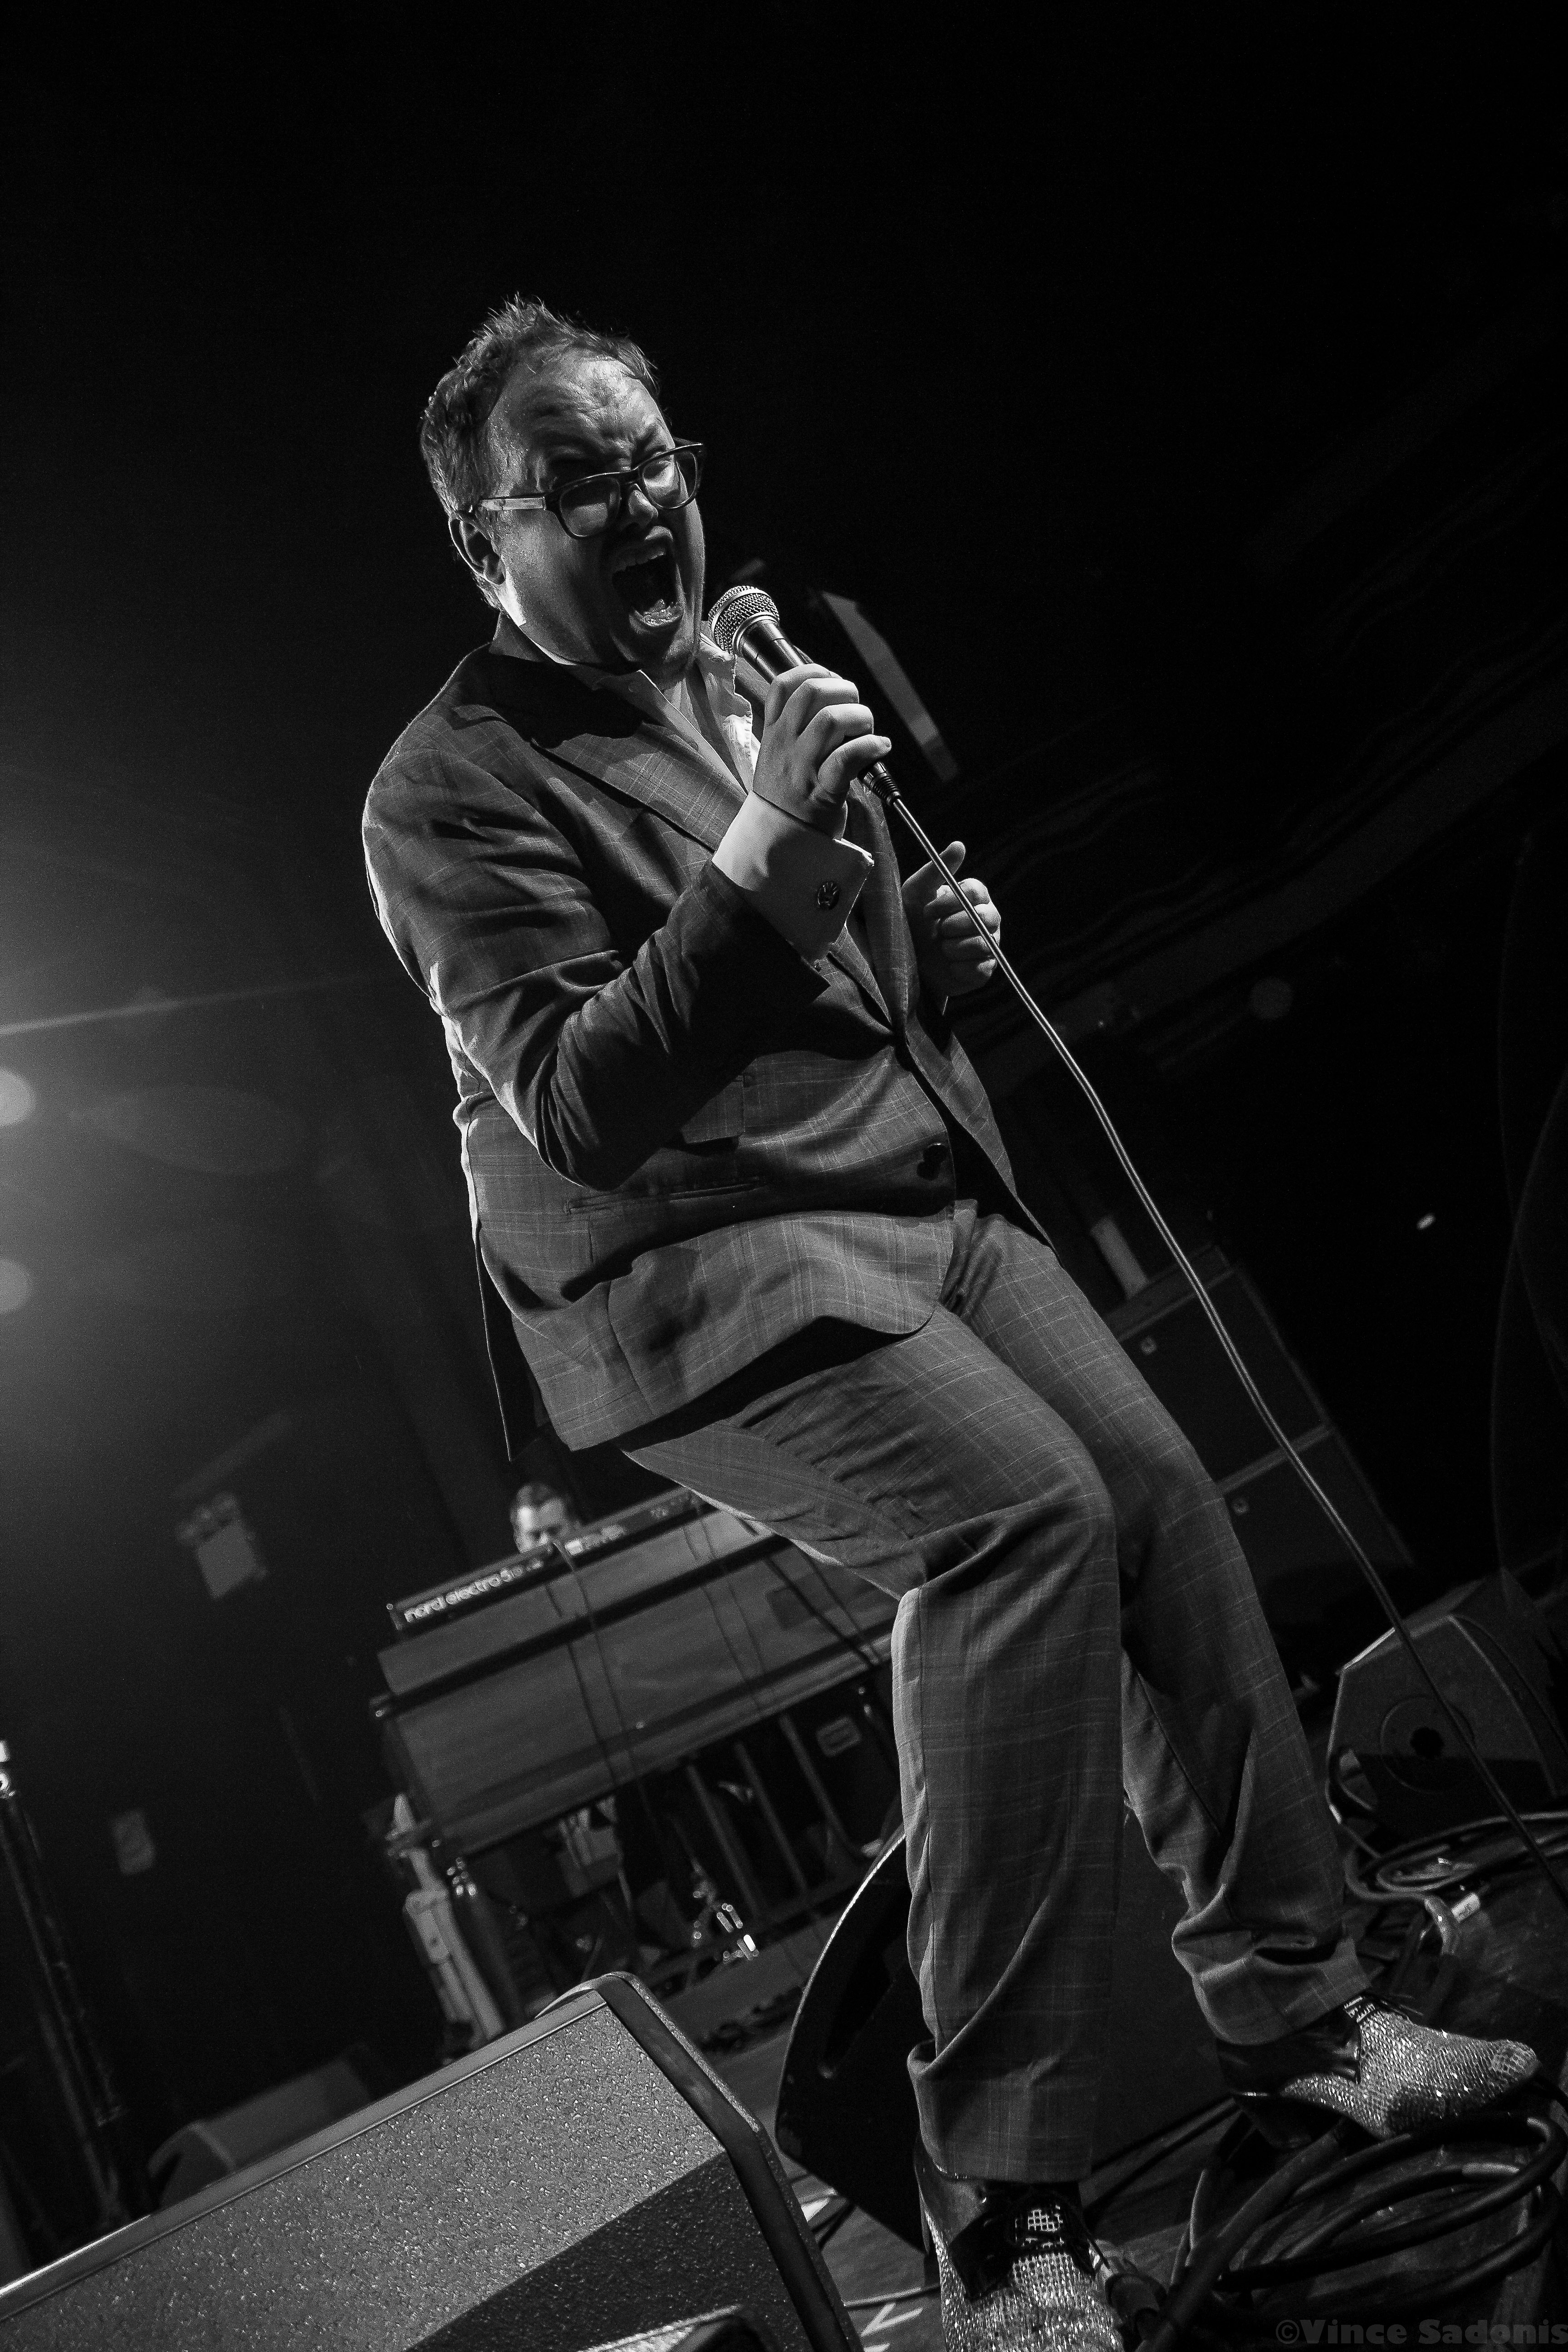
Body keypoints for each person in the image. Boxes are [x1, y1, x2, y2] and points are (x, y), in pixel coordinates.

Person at [364, 298, 1535, 2351]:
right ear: (487, 541)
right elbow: (579, 1096)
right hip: (693, 1263)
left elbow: (822, 970)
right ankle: (1002, 2212)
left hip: (904, 1183)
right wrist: (767, 849)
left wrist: (929, 951)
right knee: (1019, 1521)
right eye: (578, 483)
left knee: (1161, 1502)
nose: (640, 506)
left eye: (655, 462)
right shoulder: (444, 788)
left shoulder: (736, 662)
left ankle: (1300, 2017)